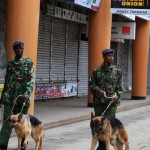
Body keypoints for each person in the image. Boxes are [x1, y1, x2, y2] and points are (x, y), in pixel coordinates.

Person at [0, 41, 34, 150]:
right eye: (17, 48)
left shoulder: (28, 62)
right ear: (14, 50)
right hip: (9, 98)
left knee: (22, 123)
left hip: (21, 99)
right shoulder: (10, 63)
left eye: (21, 48)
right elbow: (7, 81)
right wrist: (2, 98)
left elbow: (30, 82)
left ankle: (24, 144)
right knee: (7, 122)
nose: (19, 50)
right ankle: (2, 144)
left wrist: (25, 95)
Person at [89, 48, 123, 150]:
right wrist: (98, 90)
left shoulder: (118, 71)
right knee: (97, 125)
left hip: (111, 104)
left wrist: (116, 97)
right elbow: (91, 85)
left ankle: (107, 145)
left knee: (108, 126)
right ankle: (101, 146)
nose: (111, 58)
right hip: (99, 103)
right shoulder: (96, 71)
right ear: (103, 57)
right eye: (109, 56)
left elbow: (120, 88)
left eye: (112, 56)